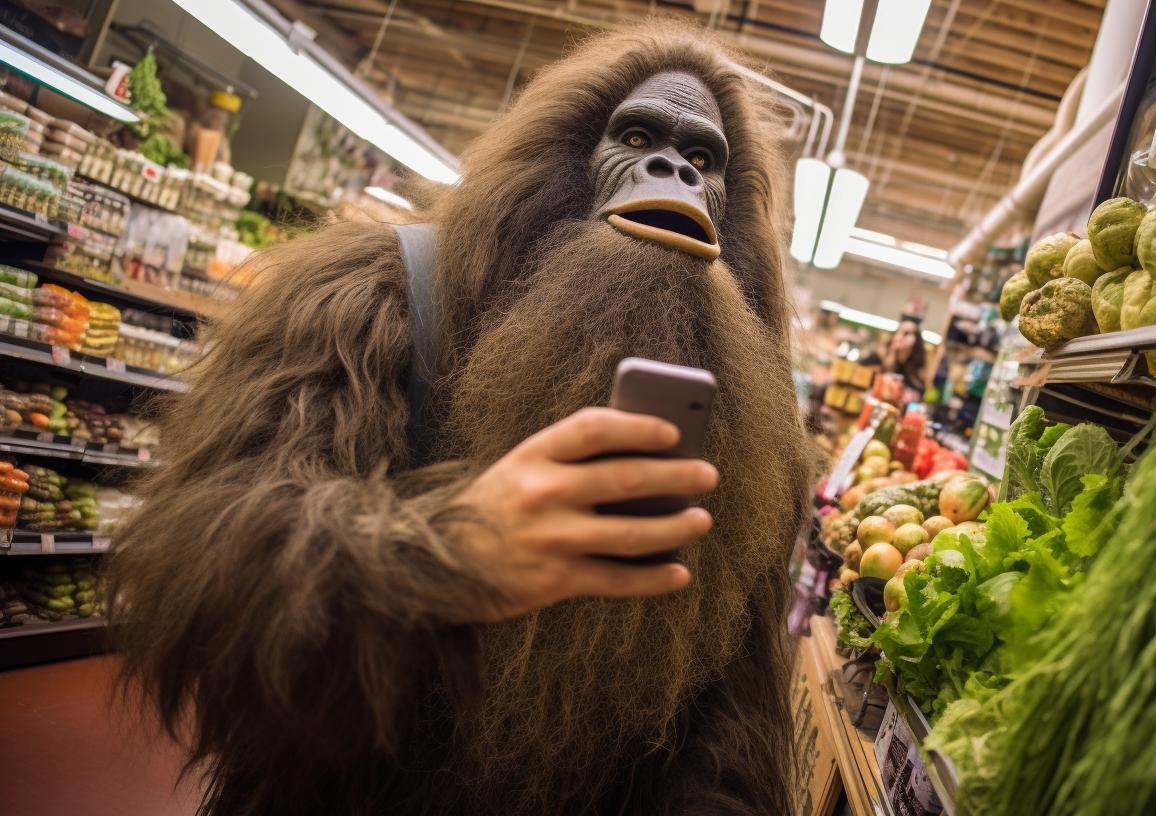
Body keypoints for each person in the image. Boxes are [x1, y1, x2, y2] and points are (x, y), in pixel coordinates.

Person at [107, 20, 817, 816]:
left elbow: (729, 714)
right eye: (641, 138)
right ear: (562, 163)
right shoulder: (374, 296)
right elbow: (201, 563)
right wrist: (444, 554)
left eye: (701, 161)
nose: (671, 173)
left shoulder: (754, 427)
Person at [884, 315, 929, 401]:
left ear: (916, 339)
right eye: (898, 332)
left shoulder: (918, 371)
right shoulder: (881, 358)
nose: (900, 337)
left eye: (906, 333)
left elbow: (919, 395)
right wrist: (892, 352)